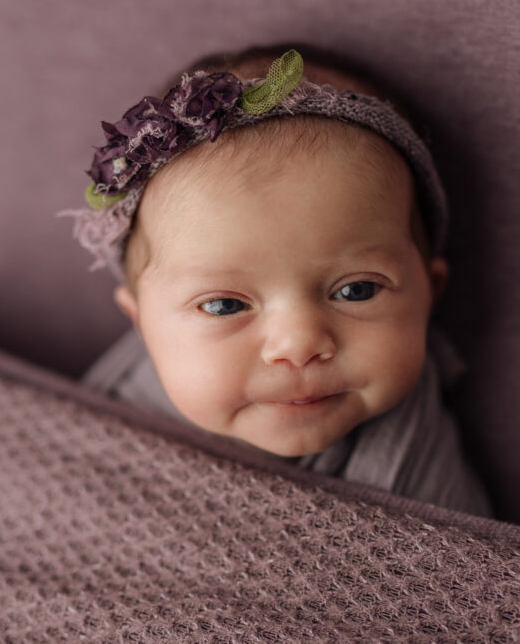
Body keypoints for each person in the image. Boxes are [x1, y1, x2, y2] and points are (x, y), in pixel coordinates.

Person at [59, 46, 490, 516]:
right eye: (225, 305)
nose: (298, 345)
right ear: (141, 324)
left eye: (356, 290)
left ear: (430, 293)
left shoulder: (409, 456)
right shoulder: (107, 423)